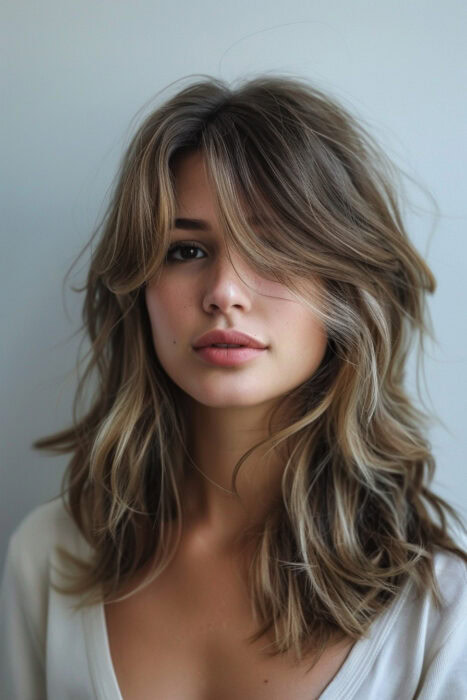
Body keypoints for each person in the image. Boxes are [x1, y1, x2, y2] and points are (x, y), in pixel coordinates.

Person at [1, 73, 466, 700]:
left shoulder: (441, 604)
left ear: (345, 290)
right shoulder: (51, 559)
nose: (224, 291)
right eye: (186, 251)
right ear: (139, 290)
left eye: (273, 248)